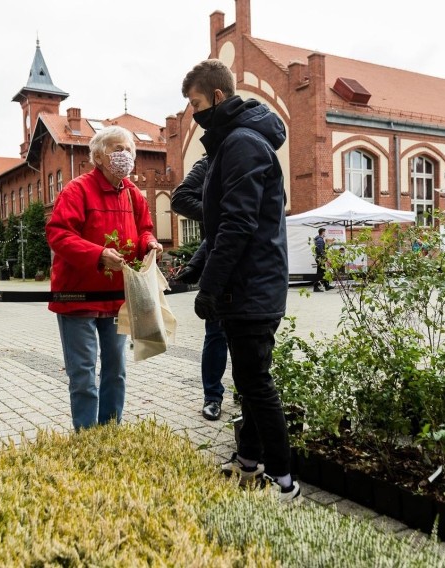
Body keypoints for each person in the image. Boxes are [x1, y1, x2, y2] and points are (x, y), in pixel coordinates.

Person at [182, 59, 300, 501]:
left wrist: (210, 286)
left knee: (257, 386)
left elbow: (238, 224)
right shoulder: (233, 142)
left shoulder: (243, 143)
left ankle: (286, 484)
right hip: (248, 284)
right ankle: (248, 464)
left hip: (252, 287)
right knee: (249, 382)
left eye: (195, 103)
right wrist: (196, 267)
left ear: (216, 97)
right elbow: (220, 224)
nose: (193, 113)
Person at [46, 125, 161, 431]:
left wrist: (149, 242)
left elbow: (144, 228)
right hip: (77, 298)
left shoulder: (134, 195)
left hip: (117, 297)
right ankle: (86, 434)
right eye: (117, 149)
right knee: (83, 373)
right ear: (97, 157)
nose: (125, 155)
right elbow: (58, 234)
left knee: (116, 369)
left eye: (129, 150)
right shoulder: (76, 190)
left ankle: (110, 430)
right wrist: (97, 254)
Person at [171, 156, 229, 421]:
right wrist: (218, 212)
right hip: (217, 264)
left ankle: (248, 393)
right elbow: (180, 198)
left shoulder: (257, 156)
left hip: (252, 268)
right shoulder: (209, 161)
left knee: (248, 337)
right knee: (216, 334)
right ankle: (213, 396)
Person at [313, 228, 332, 292]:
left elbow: (322, 250)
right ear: (322, 232)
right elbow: (320, 251)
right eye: (325, 232)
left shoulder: (319, 239)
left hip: (320, 258)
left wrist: (329, 246)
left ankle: (326, 286)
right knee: (320, 273)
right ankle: (316, 287)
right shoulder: (320, 240)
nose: (325, 233)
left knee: (323, 272)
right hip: (320, 259)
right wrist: (326, 259)